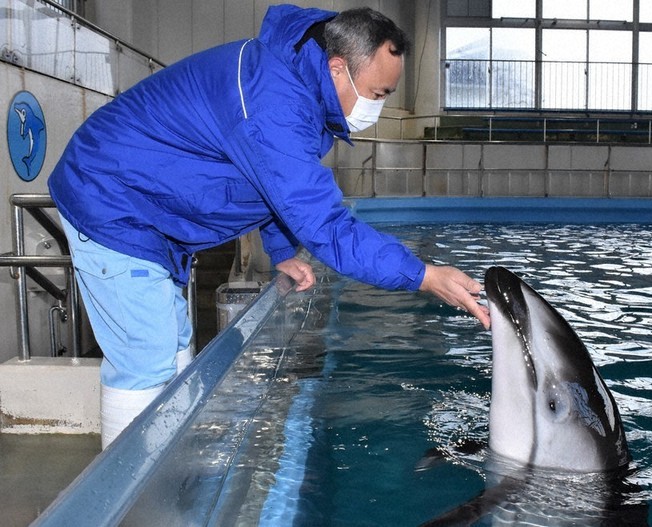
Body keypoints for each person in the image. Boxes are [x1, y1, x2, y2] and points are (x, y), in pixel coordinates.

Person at [48, 5, 490, 449]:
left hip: (149, 211)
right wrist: (423, 276)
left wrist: (281, 252)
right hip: (111, 199)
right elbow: (325, 225)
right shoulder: (275, 103)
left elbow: (266, 187)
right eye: (378, 92)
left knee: (174, 343)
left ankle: (166, 470)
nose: (380, 105)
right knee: (147, 357)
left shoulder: (297, 85)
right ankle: (127, 506)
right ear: (338, 68)